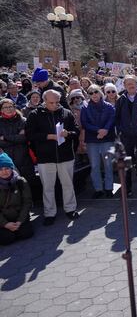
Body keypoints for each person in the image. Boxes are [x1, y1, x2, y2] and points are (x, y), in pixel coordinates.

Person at [25, 90, 80, 226]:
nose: (55, 105)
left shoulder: (66, 113)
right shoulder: (35, 114)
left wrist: (68, 133)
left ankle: (70, 208)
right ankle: (49, 212)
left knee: (68, 184)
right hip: (45, 157)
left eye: (57, 102)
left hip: (65, 155)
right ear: (44, 101)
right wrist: (48, 136)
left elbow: (76, 131)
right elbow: (30, 135)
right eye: (51, 102)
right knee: (48, 186)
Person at [80, 85, 116, 199]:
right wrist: (98, 130)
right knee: (95, 165)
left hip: (107, 138)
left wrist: (105, 130)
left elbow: (112, 119)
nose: (94, 95)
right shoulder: (85, 107)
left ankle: (109, 188)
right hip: (92, 140)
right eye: (90, 93)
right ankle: (98, 189)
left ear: (100, 93)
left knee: (108, 164)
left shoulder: (109, 106)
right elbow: (84, 122)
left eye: (96, 92)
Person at [0, 153, 34, 246]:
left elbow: (27, 202)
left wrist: (20, 221)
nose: (4, 171)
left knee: (26, 233)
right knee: (7, 239)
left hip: (18, 216)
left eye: (7, 168)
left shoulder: (20, 181)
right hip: (3, 219)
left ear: (12, 168)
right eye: (1, 169)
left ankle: (16, 229)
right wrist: (5, 224)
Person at [0, 99, 35, 184]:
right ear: (1, 109)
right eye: (5, 107)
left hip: (24, 158)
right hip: (6, 159)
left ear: (15, 107)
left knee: (28, 185)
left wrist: (4, 137)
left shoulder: (23, 120)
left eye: (10, 106)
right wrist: (17, 137)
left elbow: (24, 138)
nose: (8, 109)